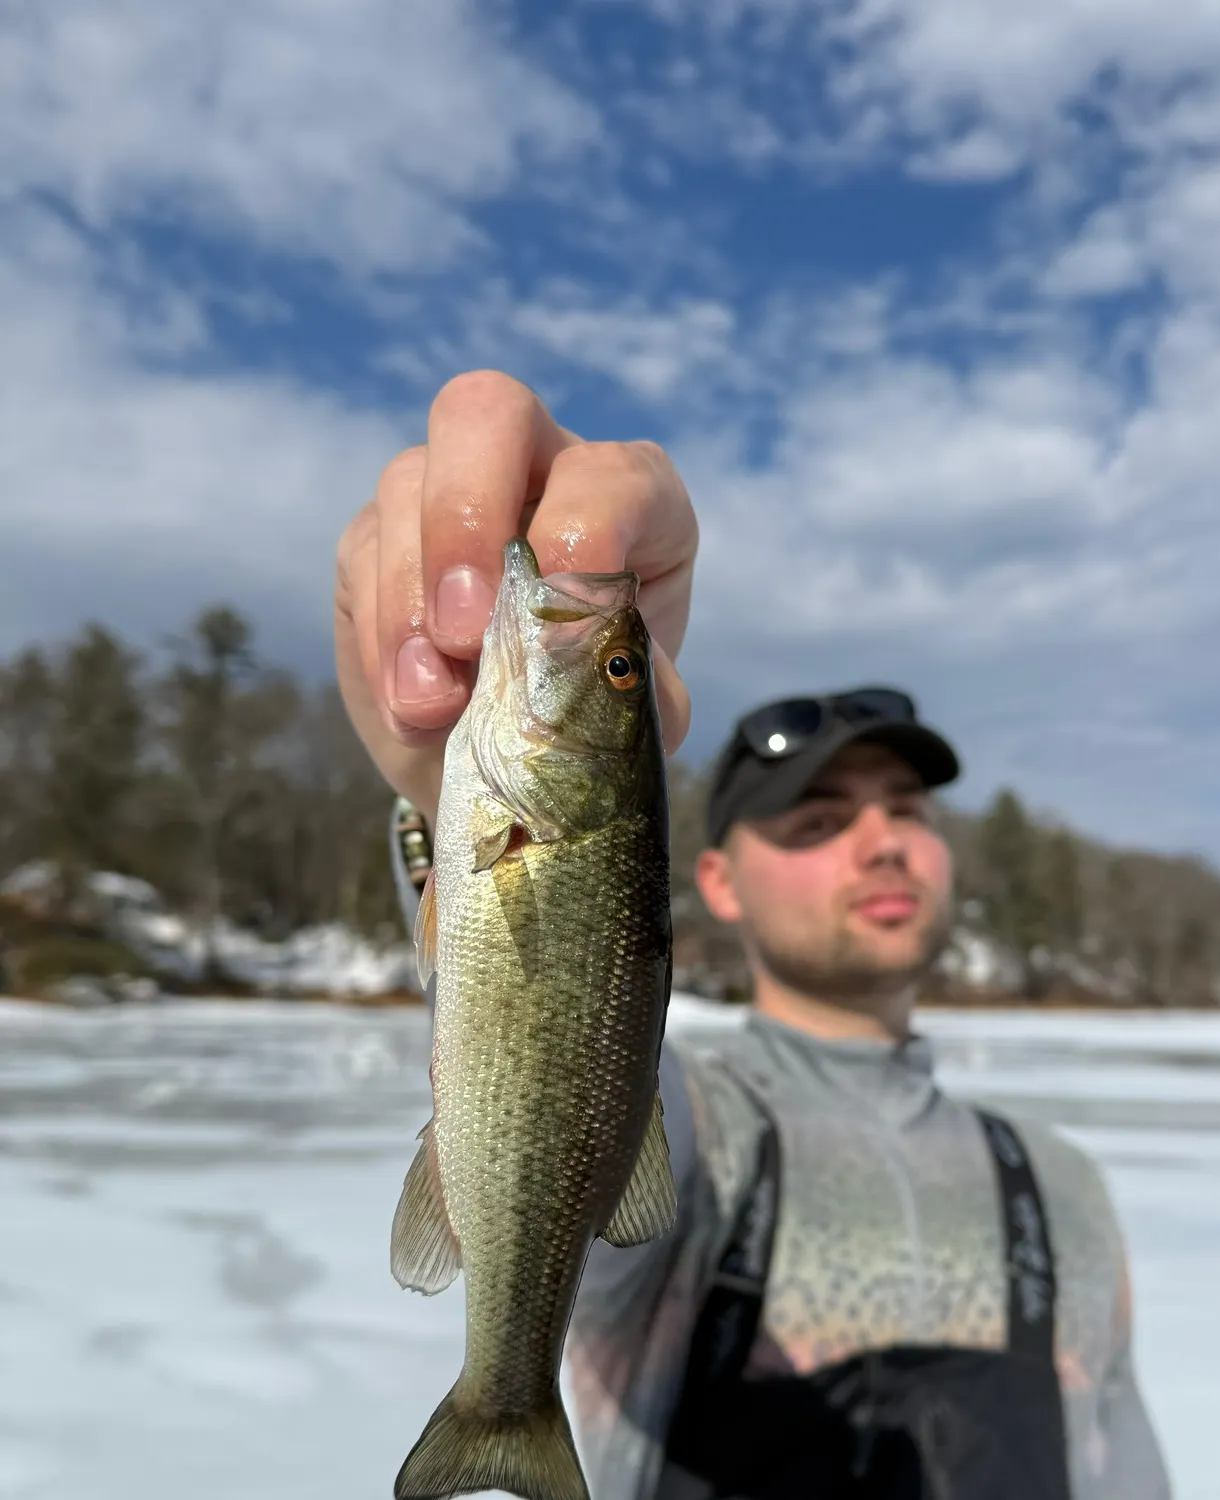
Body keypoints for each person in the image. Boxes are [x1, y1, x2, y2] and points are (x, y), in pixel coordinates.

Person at [338, 371, 1171, 1499]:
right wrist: (424, 776)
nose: (880, 844)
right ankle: (506, 1410)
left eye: (907, 813)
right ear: (717, 881)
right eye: (821, 821)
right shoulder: (703, 1135)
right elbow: (533, 1019)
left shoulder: (1060, 1189)